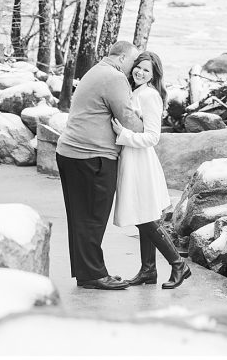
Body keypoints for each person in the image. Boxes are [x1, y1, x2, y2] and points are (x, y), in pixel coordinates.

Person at [54, 40, 143, 290]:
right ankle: (93, 275)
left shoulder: (96, 71)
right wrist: (149, 125)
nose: (134, 67)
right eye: (133, 61)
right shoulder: (114, 78)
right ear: (123, 58)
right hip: (91, 156)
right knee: (93, 217)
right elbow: (128, 118)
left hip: (72, 153)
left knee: (80, 218)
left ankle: (89, 273)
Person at [111, 51, 191, 289]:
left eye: (147, 70)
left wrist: (123, 135)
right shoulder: (134, 91)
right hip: (131, 159)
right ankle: (148, 270)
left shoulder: (149, 95)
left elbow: (153, 137)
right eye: (138, 67)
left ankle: (178, 264)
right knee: (142, 215)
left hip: (141, 162)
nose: (140, 72)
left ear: (154, 75)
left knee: (146, 217)